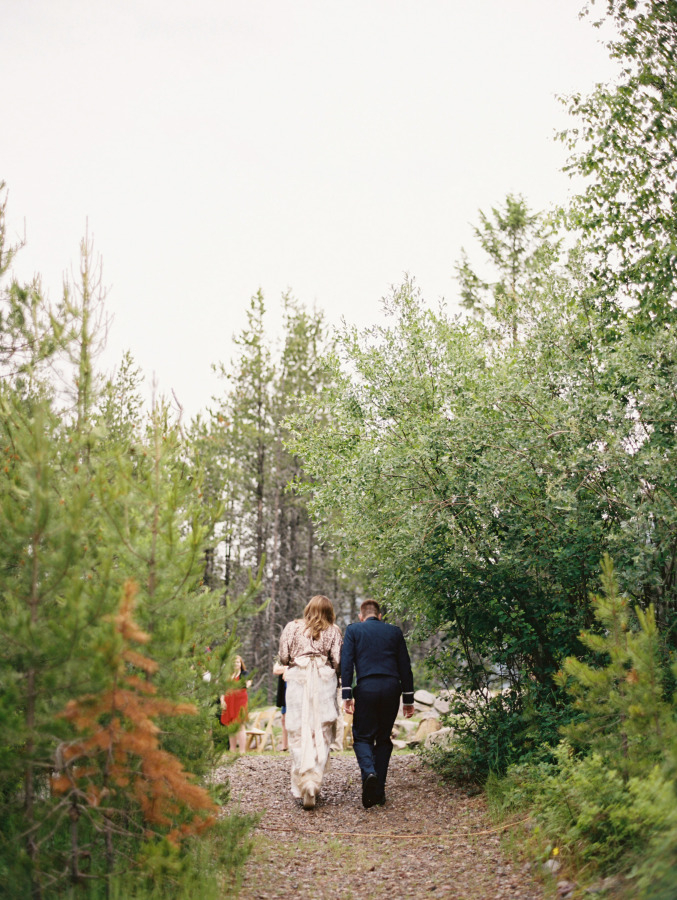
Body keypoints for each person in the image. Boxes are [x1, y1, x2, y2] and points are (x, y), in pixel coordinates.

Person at [341, 599, 414, 808]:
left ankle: (369, 773)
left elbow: (347, 663)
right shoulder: (394, 632)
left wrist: (347, 694)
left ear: (361, 616)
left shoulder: (354, 630)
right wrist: (408, 698)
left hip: (367, 688)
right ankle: (378, 791)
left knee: (362, 737)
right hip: (392, 688)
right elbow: (405, 666)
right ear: (380, 615)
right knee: (383, 738)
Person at [279, 595, 342, 809]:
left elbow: (283, 657)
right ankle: (314, 780)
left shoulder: (292, 628)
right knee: (322, 731)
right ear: (329, 611)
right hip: (324, 680)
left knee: (298, 730)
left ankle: (304, 780)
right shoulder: (334, 630)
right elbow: (338, 660)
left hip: (299, 679)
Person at [220, 655, 251, 753]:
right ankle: (232, 749)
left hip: (240, 701)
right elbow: (222, 689)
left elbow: (248, 684)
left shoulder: (244, 673)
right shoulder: (228, 675)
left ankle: (242, 750)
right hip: (229, 700)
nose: (235, 664)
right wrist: (222, 700)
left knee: (240, 724)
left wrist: (245, 683)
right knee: (230, 725)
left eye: (237, 662)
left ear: (241, 664)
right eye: (233, 662)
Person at [272, 661, 289, 751]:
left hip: (295, 689)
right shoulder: (282, 658)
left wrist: (286, 669)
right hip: (284, 692)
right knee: (284, 719)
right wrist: (286, 668)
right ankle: (284, 745)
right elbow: (276, 670)